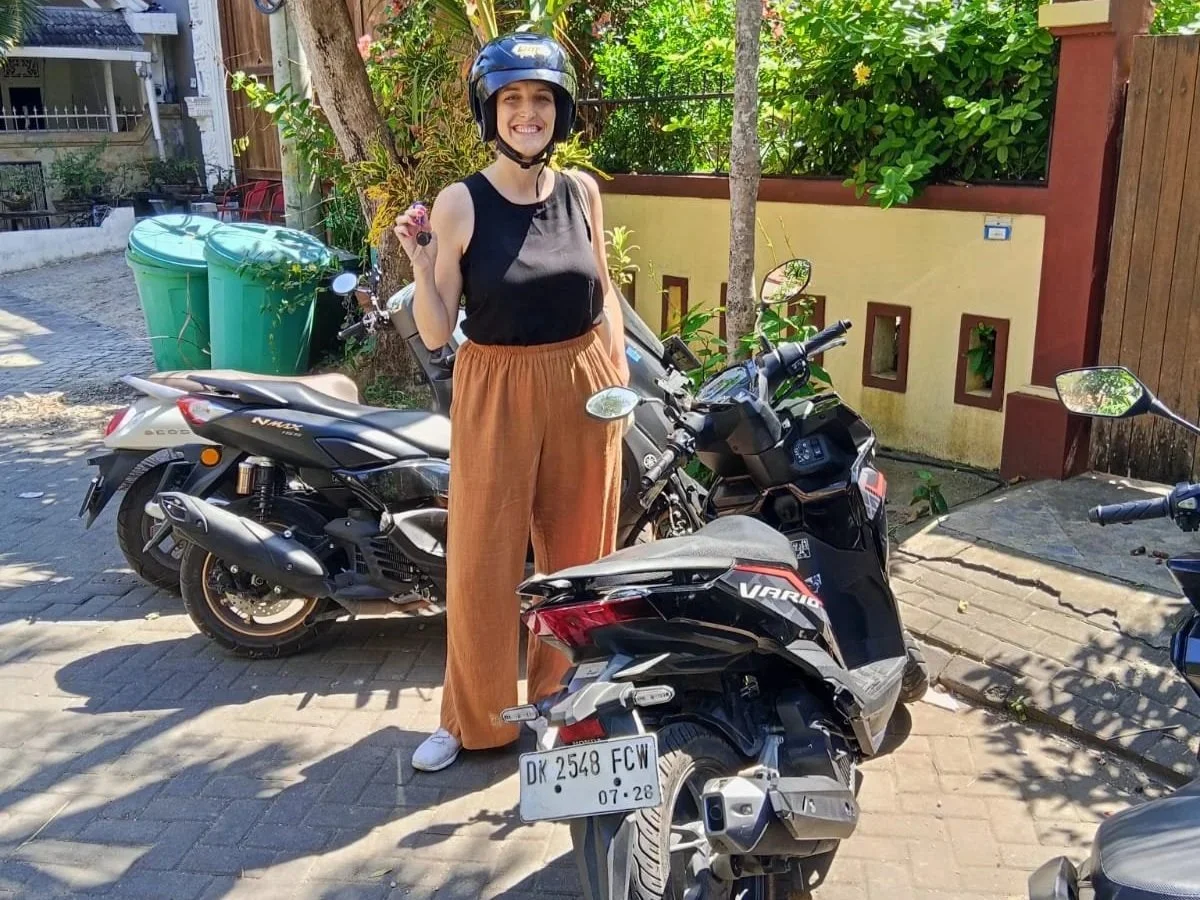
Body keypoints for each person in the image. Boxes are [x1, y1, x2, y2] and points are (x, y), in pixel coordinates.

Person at [393, 31, 630, 772]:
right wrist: (423, 260)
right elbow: (436, 331)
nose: (527, 113)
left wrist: (618, 378)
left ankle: (565, 707)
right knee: (483, 562)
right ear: (489, 111)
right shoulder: (461, 202)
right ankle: (473, 720)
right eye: (512, 100)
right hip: (495, 385)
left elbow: (605, 294)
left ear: (559, 112)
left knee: (581, 558)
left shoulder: (581, 192)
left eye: (541, 100)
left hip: (584, 381)